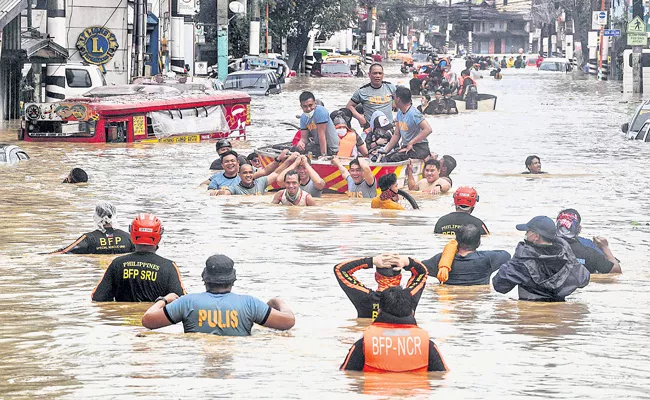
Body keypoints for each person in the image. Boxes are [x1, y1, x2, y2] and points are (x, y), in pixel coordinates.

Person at [141, 254, 295, 335]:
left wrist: (164, 299)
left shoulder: (187, 302)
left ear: (204, 278)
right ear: (233, 279)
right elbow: (288, 322)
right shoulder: (250, 304)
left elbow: (148, 321)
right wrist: (278, 301)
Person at [339, 286, 447, 372]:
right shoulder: (427, 344)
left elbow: (346, 374)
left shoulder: (364, 343)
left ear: (379, 312)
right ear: (412, 313)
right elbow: (441, 377)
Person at [492, 216, 590, 302]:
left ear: (536, 236)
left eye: (528, 231)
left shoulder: (522, 261)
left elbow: (500, 286)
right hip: (558, 315)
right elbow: (584, 279)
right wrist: (571, 256)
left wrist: (516, 258)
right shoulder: (566, 257)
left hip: (529, 314)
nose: (526, 234)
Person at [91, 213, 186, 302]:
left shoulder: (117, 264)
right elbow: (182, 301)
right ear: (159, 237)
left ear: (132, 235)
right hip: (154, 318)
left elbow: (97, 298)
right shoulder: (169, 267)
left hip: (122, 317)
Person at [334, 253, 429, 319]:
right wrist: (407, 261)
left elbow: (340, 269)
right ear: (399, 277)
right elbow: (422, 272)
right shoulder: (410, 297)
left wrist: (371, 261)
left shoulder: (365, 298)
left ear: (376, 277)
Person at [424, 225, 511, 285]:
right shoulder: (487, 259)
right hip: (478, 300)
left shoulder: (441, 260)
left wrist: (450, 251)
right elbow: (506, 255)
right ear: (478, 243)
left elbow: (419, 267)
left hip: (449, 301)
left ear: (456, 241)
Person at [52, 201, 134, 254]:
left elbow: (64, 252)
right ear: (114, 216)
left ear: (96, 216)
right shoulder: (128, 237)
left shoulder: (88, 238)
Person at [556, 209, 622, 273]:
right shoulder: (590, 250)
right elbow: (616, 270)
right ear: (579, 229)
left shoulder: (547, 247)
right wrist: (605, 247)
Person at [204, 149, 290, 193]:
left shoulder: (247, 176)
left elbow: (266, 171)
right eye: (227, 161)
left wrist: (279, 159)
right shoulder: (216, 179)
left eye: (232, 161)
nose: (230, 163)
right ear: (222, 165)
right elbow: (208, 191)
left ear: (238, 163)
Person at [382, 87, 432, 162]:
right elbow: (396, 135)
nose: (393, 100)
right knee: (386, 158)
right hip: (407, 147)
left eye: (394, 97)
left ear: (398, 99)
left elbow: (428, 129)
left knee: (395, 158)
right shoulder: (399, 112)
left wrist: (412, 142)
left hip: (419, 147)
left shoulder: (414, 113)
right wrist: (385, 151)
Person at [217, 154, 298, 196]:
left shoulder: (261, 182)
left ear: (253, 173)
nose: (248, 175)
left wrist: (290, 160)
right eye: (244, 173)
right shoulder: (234, 188)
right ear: (239, 175)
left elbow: (276, 173)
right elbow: (225, 195)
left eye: (250, 172)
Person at [295, 91, 339, 157]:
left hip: (330, 147)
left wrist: (323, 155)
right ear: (301, 106)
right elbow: (304, 138)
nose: (308, 109)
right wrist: (301, 142)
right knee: (295, 149)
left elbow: (322, 135)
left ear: (315, 103)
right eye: (305, 106)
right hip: (317, 145)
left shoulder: (321, 111)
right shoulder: (303, 118)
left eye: (310, 105)